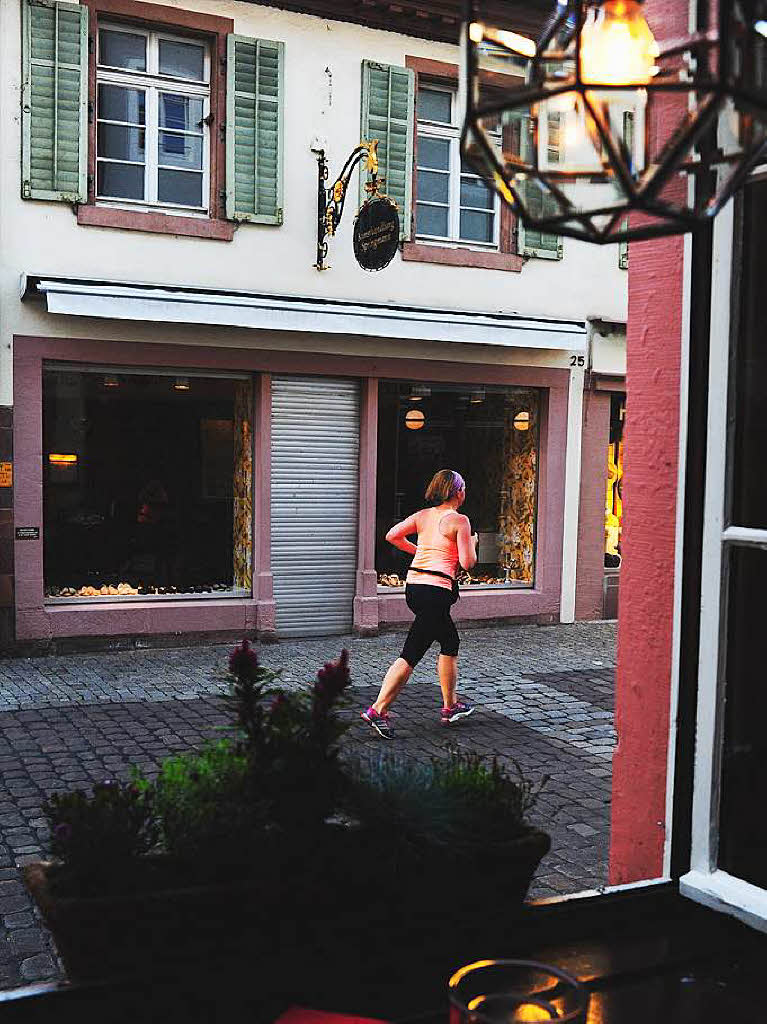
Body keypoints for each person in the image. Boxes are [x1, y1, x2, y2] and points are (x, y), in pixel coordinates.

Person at [362, 469, 478, 739]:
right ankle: (378, 710)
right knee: (411, 653)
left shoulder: (423, 516)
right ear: (458, 492)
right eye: (464, 489)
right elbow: (468, 563)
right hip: (435, 592)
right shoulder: (460, 521)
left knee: (450, 642)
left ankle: (450, 706)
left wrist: (420, 551)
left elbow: (392, 535)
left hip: (415, 588)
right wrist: (472, 542)